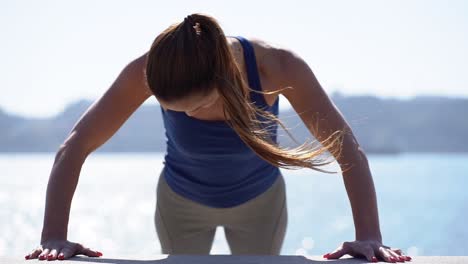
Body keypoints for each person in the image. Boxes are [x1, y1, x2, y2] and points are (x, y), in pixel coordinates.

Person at [25, 13, 411, 263]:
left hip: (260, 204)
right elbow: (75, 145)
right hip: (180, 203)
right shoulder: (147, 69)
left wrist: (369, 237)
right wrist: (54, 236)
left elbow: (346, 147)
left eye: (192, 107)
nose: (186, 116)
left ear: (224, 78)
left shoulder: (276, 67)